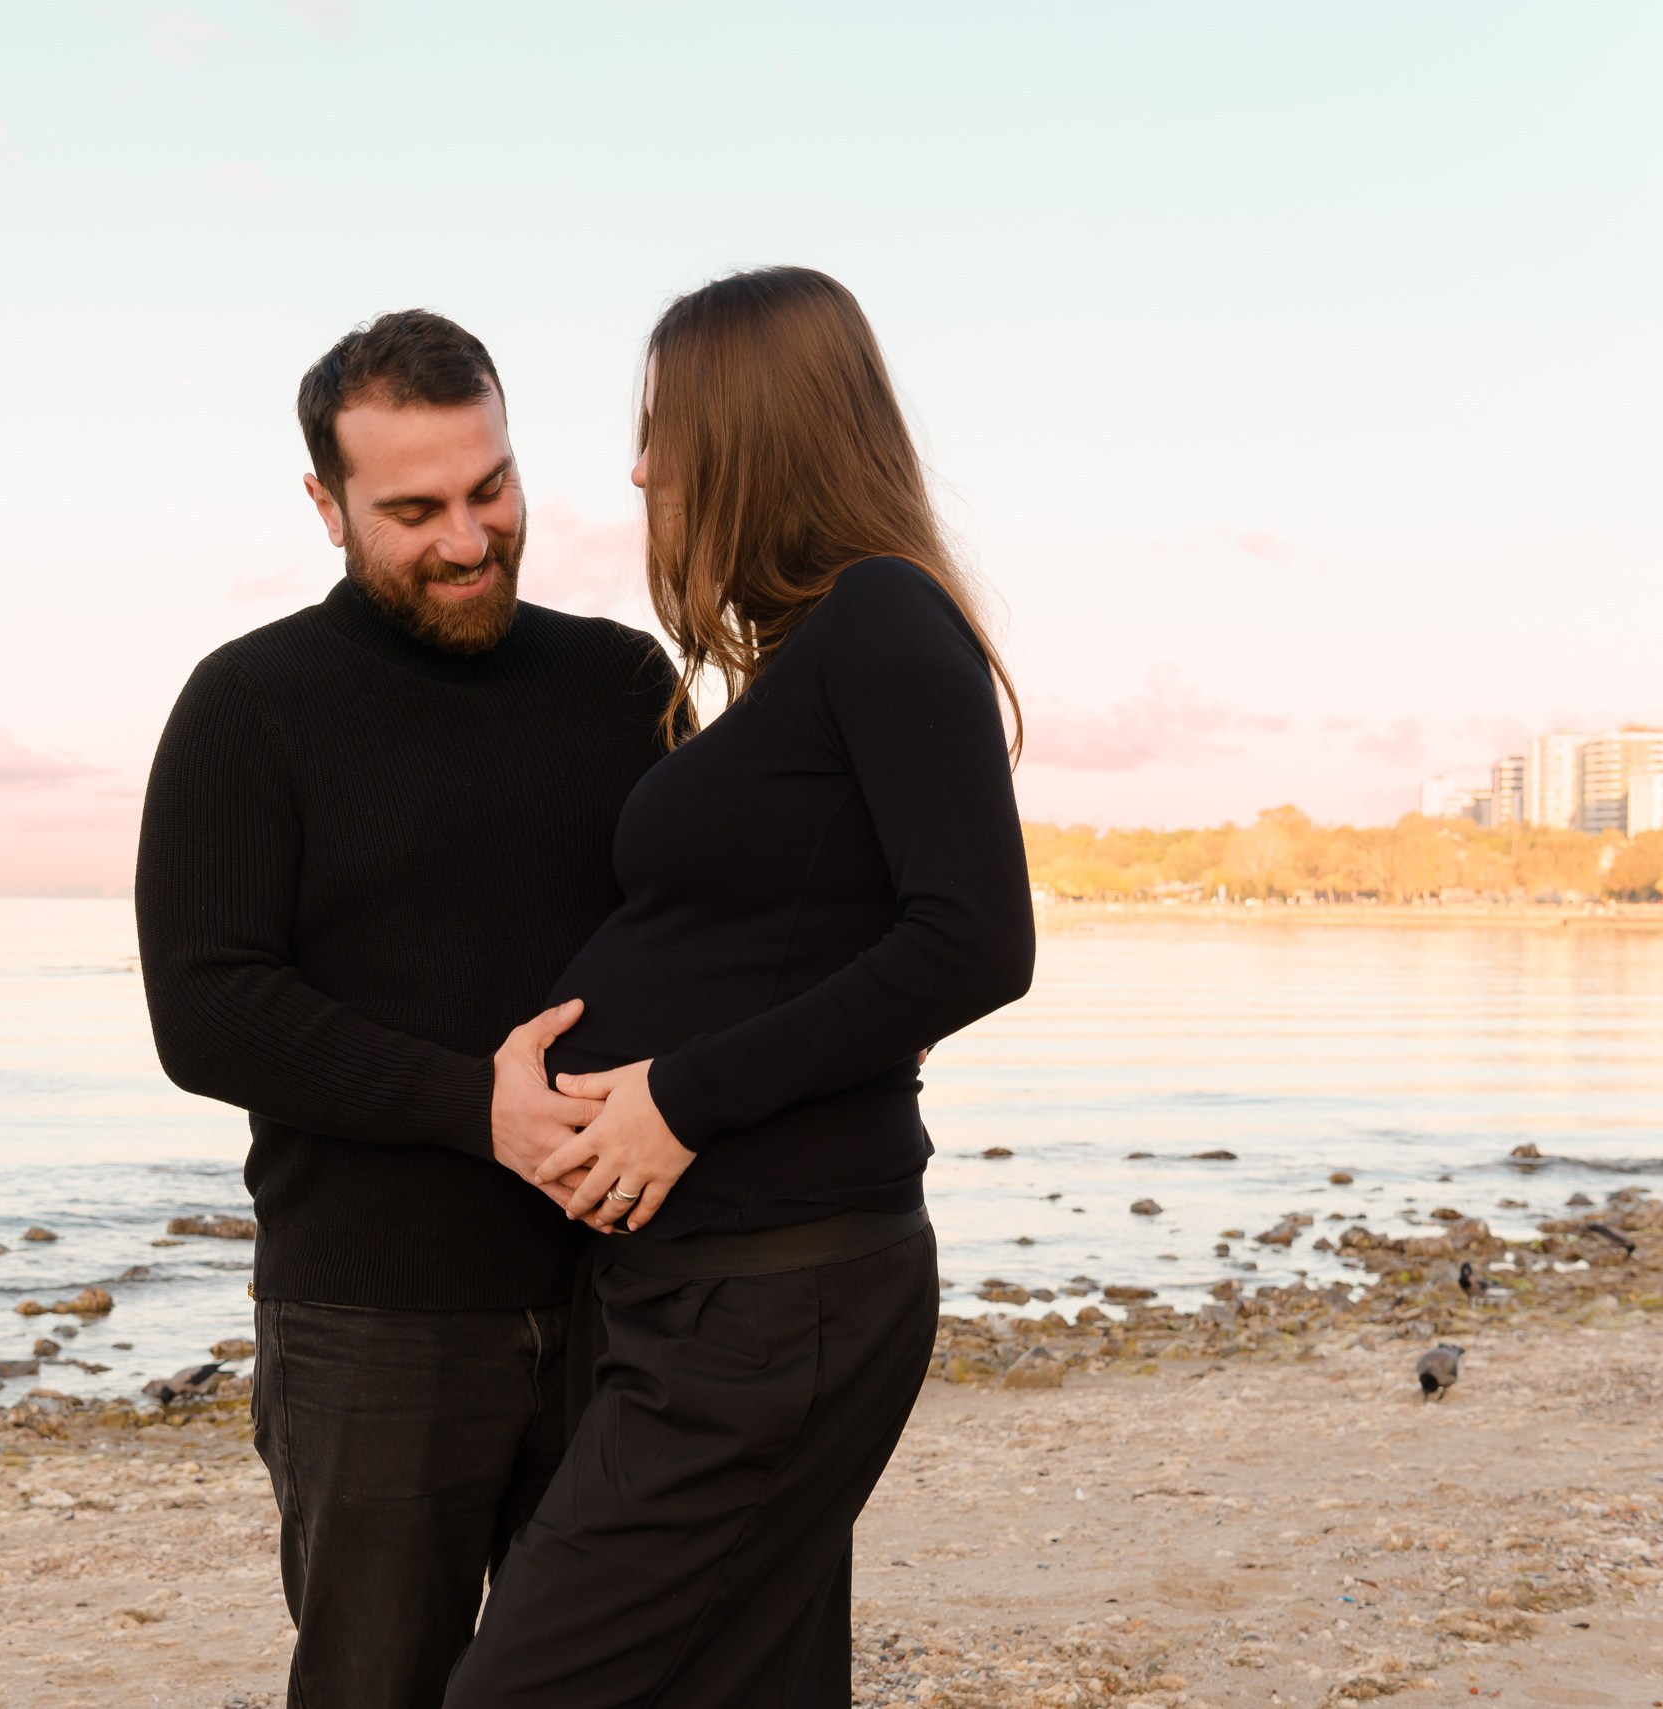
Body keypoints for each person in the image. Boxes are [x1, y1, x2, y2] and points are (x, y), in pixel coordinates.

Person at [444, 266, 1036, 1708]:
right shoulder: (803, 657)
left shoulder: (885, 616)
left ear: (752, 432)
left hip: (780, 1296)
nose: (643, 469)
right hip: (722, 1288)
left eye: (666, 429)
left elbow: (976, 940)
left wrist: (679, 1100)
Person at [133, 309, 676, 1709]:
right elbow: (206, 1009)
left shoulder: (624, 684)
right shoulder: (247, 704)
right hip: (371, 1323)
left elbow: (700, 937)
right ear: (327, 507)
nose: (468, 539)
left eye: (491, 488)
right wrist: (473, 1106)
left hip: (622, 1295)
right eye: (414, 511)